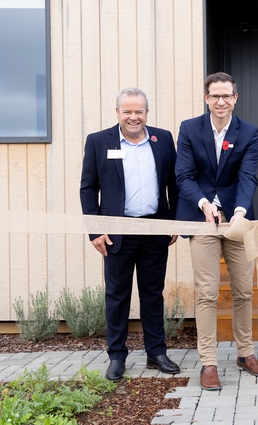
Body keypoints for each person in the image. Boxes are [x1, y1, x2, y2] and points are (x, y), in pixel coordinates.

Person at [175, 72, 258, 391]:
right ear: (206, 98)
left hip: (237, 220)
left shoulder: (249, 133)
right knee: (207, 293)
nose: (221, 101)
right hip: (200, 218)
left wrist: (241, 211)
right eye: (215, 96)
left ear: (235, 98)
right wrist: (203, 204)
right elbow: (184, 176)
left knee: (243, 290)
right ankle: (209, 363)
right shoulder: (189, 129)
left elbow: (248, 176)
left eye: (226, 96)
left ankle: (245, 354)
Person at [80, 87, 181, 382]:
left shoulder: (162, 139)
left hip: (155, 230)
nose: (133, 117)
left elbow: (174, 186)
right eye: (127, 111)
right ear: (117, 113)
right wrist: (95, 230)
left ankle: (156, 352)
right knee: (117, 295)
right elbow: (88, 188)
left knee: (153, 294)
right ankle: (116, 356)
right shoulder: (99, 142)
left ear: (147, 113)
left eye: (139, 111)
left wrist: (173, 223)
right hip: (117, 233)